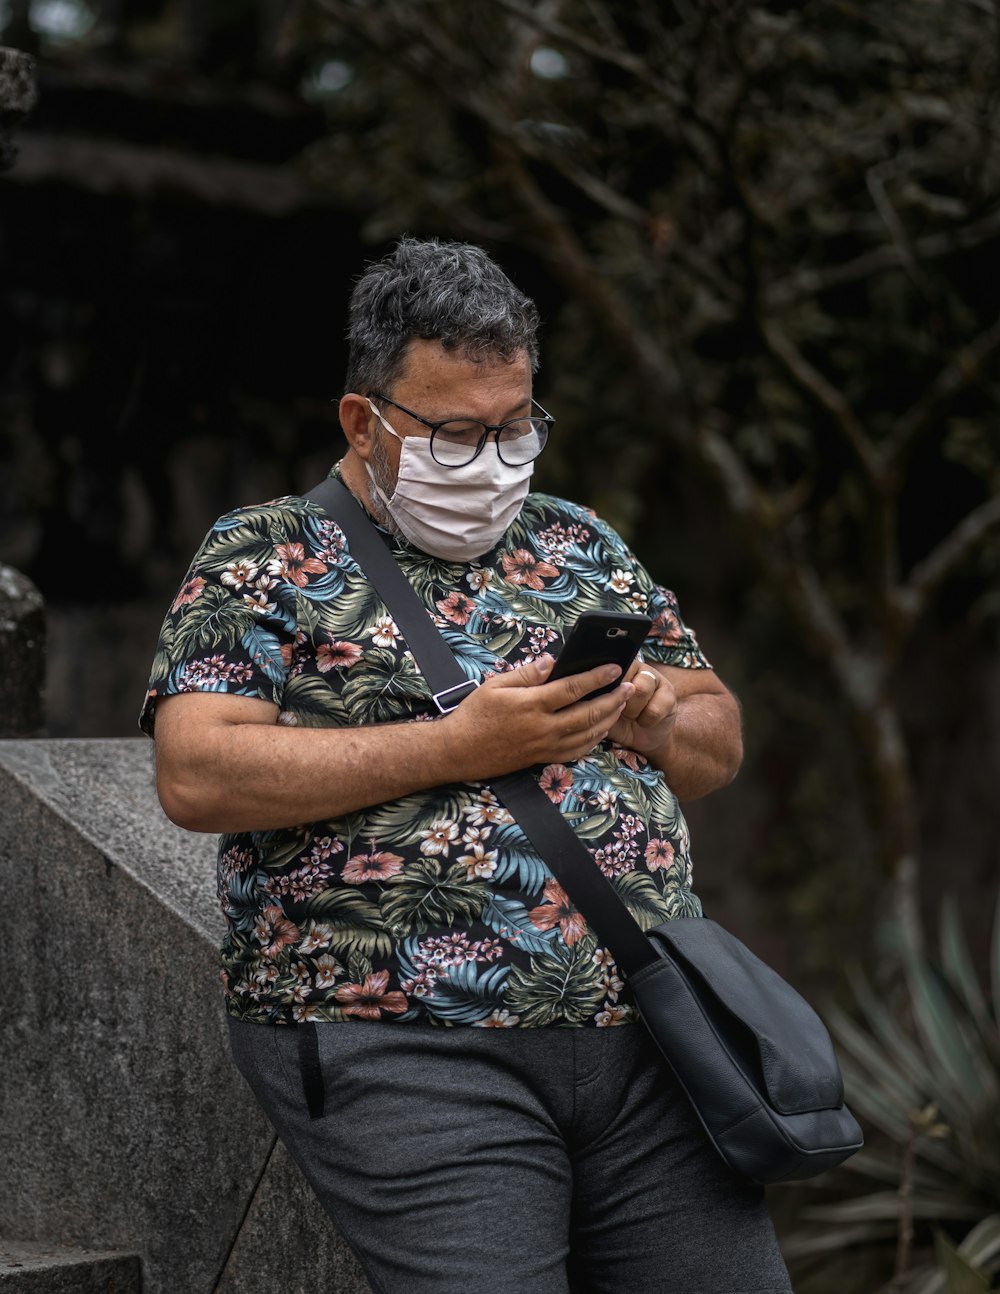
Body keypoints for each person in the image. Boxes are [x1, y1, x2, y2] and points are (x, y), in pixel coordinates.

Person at [142, 237, 792, 1293]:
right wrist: (465, 744)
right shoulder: (262, 553)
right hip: (405, 1044)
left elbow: (717, 742)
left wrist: (655, 709)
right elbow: (197, 773)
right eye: (457, 431)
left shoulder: (578, 542)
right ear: (365, 419)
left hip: (646, 1031)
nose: (494, 456)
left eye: (516, 425)